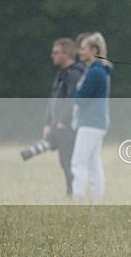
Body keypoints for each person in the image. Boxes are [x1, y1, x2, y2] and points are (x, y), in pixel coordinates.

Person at [71, 32, 112, 202]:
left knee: (78, 162)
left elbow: (81, 97)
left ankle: (78, 197)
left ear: (93, 50)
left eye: (83, 49)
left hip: (90, 123)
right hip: (97, 123)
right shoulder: (99, 70)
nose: (80, 52)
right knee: (94, 163)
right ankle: (98, 198)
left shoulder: (95, 72)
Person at [43, 37, 86, 197]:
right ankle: (71, 192)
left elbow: (72, 101)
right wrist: (48, 123)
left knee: (69, 162)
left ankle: (73, 193)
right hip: (57, 125)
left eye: (56, 52)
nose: (52, 56)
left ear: (67, 54)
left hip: (67, 127)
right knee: (64, 161)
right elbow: (53, 100)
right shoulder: (62, 74)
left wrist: (63, 121)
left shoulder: (74, 74)